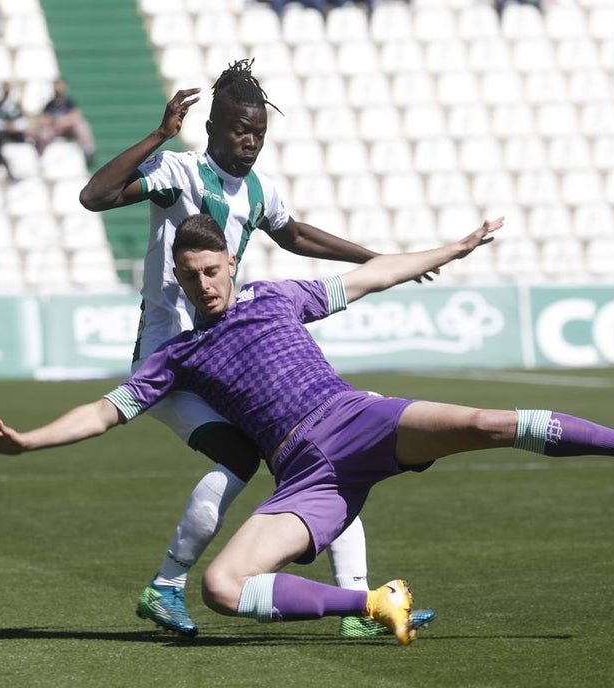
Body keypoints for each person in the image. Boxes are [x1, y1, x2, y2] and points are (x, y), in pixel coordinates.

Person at [0, 213, 614, 643]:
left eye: (212, 269)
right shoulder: (177, 355)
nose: (203, 284)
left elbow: (375, 275)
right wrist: (26, 441)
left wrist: (453, 248)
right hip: (307, 476)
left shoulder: (278, 298)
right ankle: (374, 602)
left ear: (232, 261)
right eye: (190, 278)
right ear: (179, 282)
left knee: (485, 420)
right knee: (222, 584)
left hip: (359, 420)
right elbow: (103, 411)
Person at [78, 58, 432, 639]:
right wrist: (159, 136)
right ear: (214, 127)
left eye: (259, 133)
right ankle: (165, 586)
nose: (250, 141)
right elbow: (97, 195)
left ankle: (357, 609)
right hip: (169, 361)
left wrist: (374, 260)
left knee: (326, 453)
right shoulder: (178, 171)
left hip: (221, 355)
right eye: (241, 130)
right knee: (245, 456)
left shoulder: (259, 190)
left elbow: (294, 235)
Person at [34, 78, 96, 166]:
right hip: (54, 130)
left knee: (81, 125)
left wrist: (63, 121)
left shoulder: (69, 103)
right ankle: (40, 155)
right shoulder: (50, 105)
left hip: (68, 129)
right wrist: (56, 122)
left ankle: (88, 149)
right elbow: (43, 119)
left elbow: (77, 115)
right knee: (43, 133)